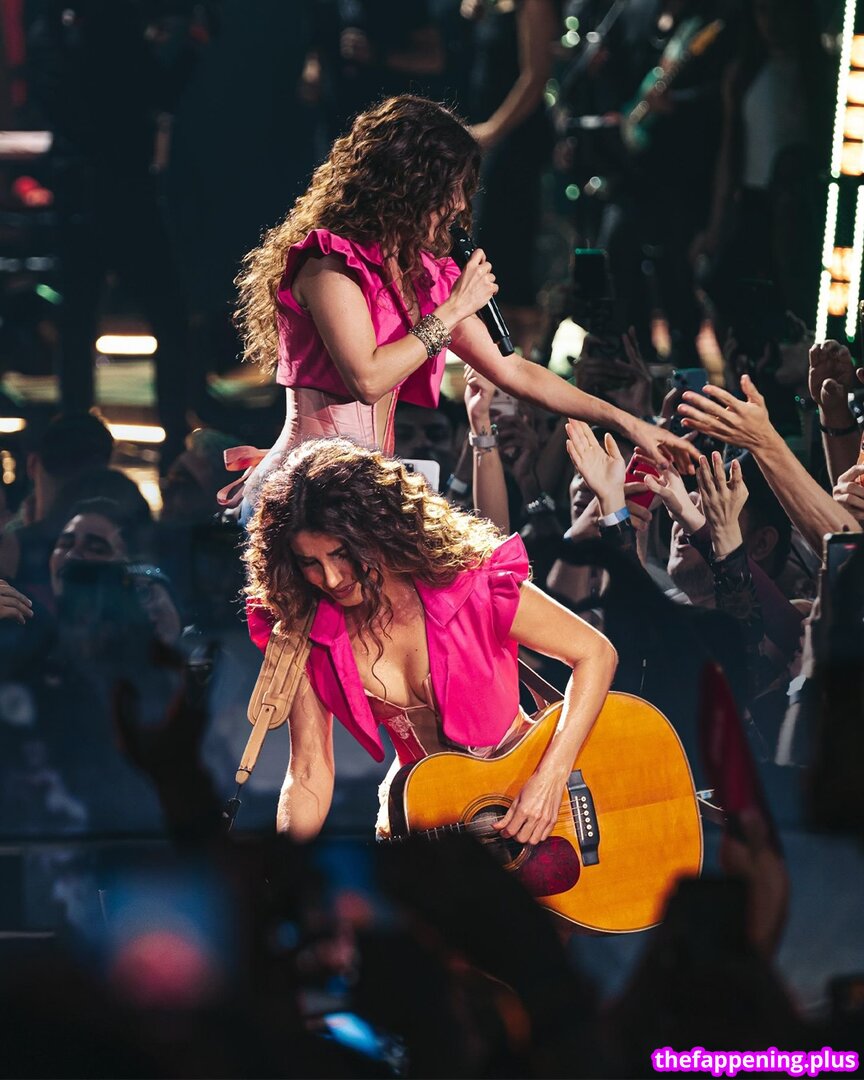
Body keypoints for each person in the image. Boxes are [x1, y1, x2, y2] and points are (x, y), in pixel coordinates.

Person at [229, 94, 697, 514]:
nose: (458, 204)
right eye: (449, 187)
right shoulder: (328, 264)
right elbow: (367, 379)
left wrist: (629, 422)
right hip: (305, 492)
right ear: (405, 185)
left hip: (362, 488)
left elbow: (515, 371)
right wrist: (452, 310)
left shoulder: (422, 275)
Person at [243, 437, 617, 841]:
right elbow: (307, 772)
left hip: (533, 804)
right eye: (310, 563)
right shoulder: (307, 635)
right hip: (424, 822)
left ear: (378, 529)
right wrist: (286, 865)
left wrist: (550, 778)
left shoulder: (473, 586)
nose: (331, 579)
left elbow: (596, 653)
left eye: (341, 554)